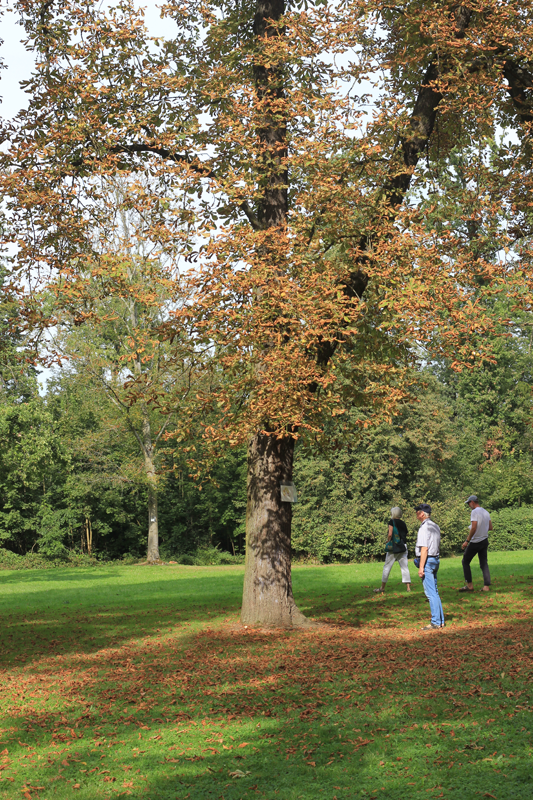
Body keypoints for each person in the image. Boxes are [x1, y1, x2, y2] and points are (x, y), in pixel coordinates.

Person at [414, 503, 445, 629]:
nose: (416, 514)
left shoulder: (424, 528)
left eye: (417, 512)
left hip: (427, 561)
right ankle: (441, 620)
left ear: (422, 514)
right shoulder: (435, 526)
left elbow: (424, 548)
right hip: (435, 559)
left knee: (431, 593)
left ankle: (436, 622)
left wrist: (421, 568)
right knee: (435, 592)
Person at [373, 507, 412, 593]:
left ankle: (382, 588)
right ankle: (408, 588)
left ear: (393, 513)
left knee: (387, 566)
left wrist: (388, 540)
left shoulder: (392, 522)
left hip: (394, 547)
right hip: (403, 546)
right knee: (405, 567)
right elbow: (405, 534)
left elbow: (390, 534)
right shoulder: (403, 523)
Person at [459, 495, 492, 593]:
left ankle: (469, 585)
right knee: (484, 563)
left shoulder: (474, 512)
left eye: (469, 503)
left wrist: (467, 541)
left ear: (472, 502)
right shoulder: (486, 512)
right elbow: (490, 527)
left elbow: (474, 527)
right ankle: (486, 586)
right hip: (484, 541)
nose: (469, 505)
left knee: (465, 561)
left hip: (475, 542)